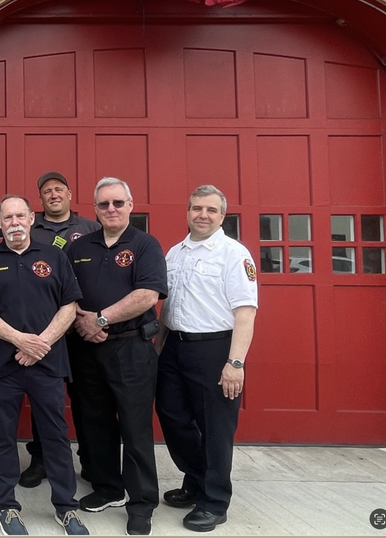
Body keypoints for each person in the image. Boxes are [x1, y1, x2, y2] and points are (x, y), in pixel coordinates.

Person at [0, 195, 89, 537]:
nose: (15, 223)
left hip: (48, 365)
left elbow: (69, 306)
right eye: (8, 218)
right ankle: (6, 506)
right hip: (3, 366)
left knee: (55, 437)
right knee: (3, 438)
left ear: (32, 219)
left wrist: (41, 343)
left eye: (21, 216)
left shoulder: (54, 256)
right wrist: (20, 340)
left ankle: (66, 508)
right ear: (0, 223)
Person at [66, 177, 168, 536]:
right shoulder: (79, 245)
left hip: (130, 347)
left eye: (118, 203)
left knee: (135, 427)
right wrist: (84, 322)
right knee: (94, 421)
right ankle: (108, 487)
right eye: (104, 204)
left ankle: (141, 503)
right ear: (94, 209)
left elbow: (148, 294)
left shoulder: (144, 244)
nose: (111, 209)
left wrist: (102, 318)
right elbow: (65, 289)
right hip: (86, 347)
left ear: (130, 204)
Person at [156, 185, 258, 533]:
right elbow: (167, 306)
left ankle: (215, 502)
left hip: (216, 350)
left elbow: (245, 313)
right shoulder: (175, 253)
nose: (203, 215)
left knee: (216, 429)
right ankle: (196, 479)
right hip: (174, 346)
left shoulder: (234, 254)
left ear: (222, 215)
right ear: (187, 212)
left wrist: (236, 363)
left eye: (211, 210)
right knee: (171, 415)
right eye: (197, 208)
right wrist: (158, 346)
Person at [21, 171, 101, 489]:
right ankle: (40, 460)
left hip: (82, 330)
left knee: (88, 401)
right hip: (46, 332)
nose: (53, 195)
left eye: (58, 189)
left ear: (69, 194)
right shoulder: (31, 229)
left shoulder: (91, 229)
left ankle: (94, 463)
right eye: (46, 191)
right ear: (39, 199)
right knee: (44, 400)